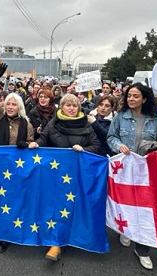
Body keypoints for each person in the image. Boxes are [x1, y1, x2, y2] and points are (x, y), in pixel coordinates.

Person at [28, 93, 100, 261]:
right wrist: (36, 144)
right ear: (62, 107)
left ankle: (72, 237)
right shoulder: (54, 123)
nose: (71, 108)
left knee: (73, 205)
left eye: (75, 106)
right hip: (55, 174)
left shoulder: (87, 125)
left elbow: (96, 146)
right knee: (56, 205)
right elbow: (44, 138)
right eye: (68, 105)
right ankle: (56, 243)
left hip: (77, 174)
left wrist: (84, 150)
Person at [107, 83, 157, 270]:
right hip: (125, 168)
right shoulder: (120, 118)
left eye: (135, 96)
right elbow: (111, 137)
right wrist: (118, 146)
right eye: (129, 95)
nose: (131, 99)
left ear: (144, 99)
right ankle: (126, 228)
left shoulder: (155, 119)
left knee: (145, 205)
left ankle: (142, 248)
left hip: (146, 169)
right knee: (126, 200)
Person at [0, 63, 34, 253]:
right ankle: (2, 233)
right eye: (8, 104)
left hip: (16, 170)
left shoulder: (26, 124)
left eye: (14, 104)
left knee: (14, 201)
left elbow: (32, 145)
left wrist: (28, 144)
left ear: (19, 106)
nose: (10, 107)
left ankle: (13, 231)